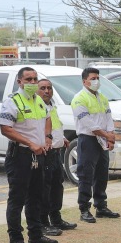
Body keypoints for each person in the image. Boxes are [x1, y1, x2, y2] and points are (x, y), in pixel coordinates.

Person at [0, 66, 58, 243]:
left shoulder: (39, 101)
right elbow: (5, 128)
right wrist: (30, 143)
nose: (33, 83)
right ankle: (15, 239)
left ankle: (35, 234)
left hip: (38, 155)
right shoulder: (12, 101)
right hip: (20, 155)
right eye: (28, 80)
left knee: (36, 196)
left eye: (35, 79)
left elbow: (48, 118)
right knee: (17, 199)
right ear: (19, 82)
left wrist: (47, 137)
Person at [71, 67, 121, 224]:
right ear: (84, 81)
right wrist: (108, 136)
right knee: (86, 175)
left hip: (102, 139)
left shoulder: (102, 98)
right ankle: (84, 209)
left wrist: (110, 137)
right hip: (88, 140)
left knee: (102, 174)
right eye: (93, 78)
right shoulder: (79, 99)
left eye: (98, 78)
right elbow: (89, 124)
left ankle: (101, 206)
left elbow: (108, 118)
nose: (96, 81)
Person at [38, 78, 77, 231]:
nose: (47, 91)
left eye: (49, 88)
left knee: (56, 186)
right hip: (45, 152)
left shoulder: (51, 106)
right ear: (36, 90)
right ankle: (43, 222)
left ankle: (56, 218)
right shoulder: (38, 107)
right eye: (43, 88)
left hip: (56, 152)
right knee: (45, 188)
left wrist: (62, 138)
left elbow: (55, 126)